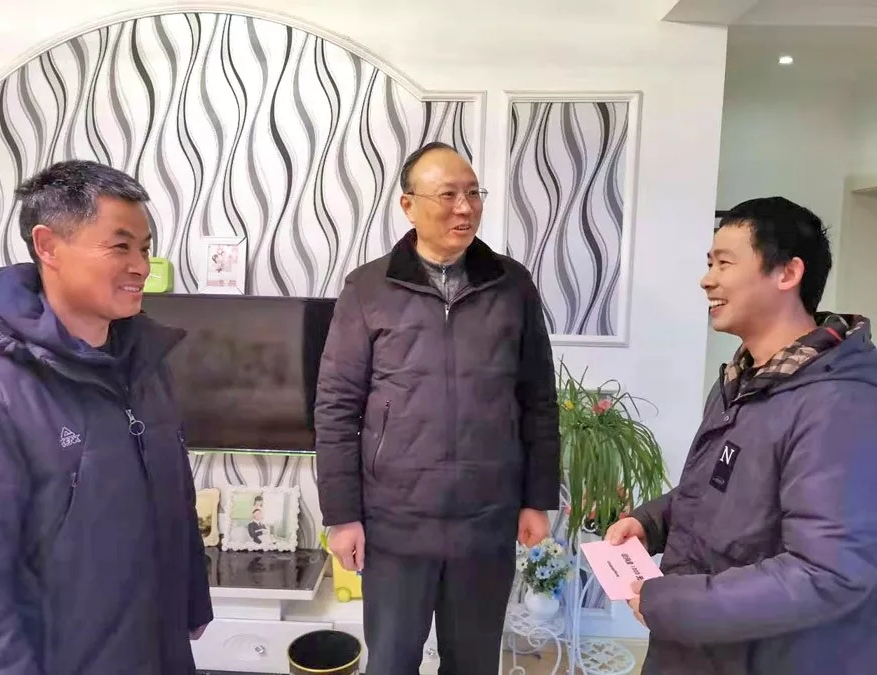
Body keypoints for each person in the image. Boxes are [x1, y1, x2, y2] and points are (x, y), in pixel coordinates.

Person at [314, 141, 561, 675]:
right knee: (391, 662)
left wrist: (536, 499)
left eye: (473, 194)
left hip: (486, 520)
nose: (465, 208)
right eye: (448, 195)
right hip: (396, 521)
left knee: (473, 664)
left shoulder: (512, 284)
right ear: (409, 205)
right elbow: (336, 407)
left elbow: (539, 398)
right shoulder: (368, 288)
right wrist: (342, 515)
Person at [606, 196, 877, 674]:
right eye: (709, 263)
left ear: (787, 273)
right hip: (699, 653)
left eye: (724, 263)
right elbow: (722, 490)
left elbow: (827, 573)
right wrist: (651, 522)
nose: (707, 279)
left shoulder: (839, 403)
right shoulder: (742, 380)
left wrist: (675, 605)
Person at [0, 160, 213, 674]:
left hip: (160, 645)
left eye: (145, 248)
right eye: (120, 247)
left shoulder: (145, 362)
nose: (140, 266)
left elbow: (175, 492)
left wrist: (193, 598)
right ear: (48, 246)